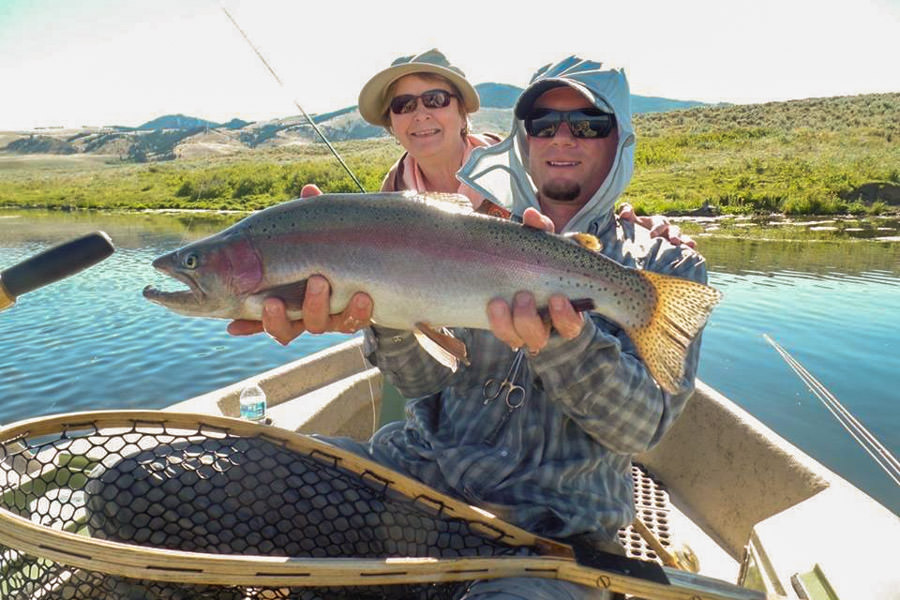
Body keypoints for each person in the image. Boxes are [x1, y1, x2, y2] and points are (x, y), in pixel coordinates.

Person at [229, 57, 710, 600]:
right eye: (543, 124)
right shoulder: (465, 230)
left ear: (619, 139)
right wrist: (383, 316)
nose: (563, 138)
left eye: (589, 125)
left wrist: (564, 345)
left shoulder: (662, 266)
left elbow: (640, 431)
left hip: (552, 536)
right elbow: (419, 387)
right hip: (411, 482)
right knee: (177, 480)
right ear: (522, 140)